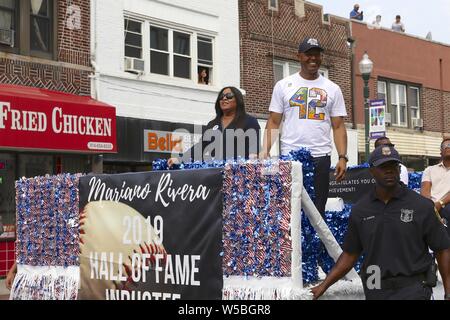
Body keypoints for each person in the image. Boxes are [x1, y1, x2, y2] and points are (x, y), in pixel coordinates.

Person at [311, 145, 450, 300]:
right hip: (375, 288)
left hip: (413, 288)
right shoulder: (360, 210)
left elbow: (442, 249)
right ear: (372, 171)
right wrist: (324, 286)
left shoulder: (421, 206)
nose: (389, 170)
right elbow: (350, 254)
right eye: (383, 166)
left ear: (398, 169)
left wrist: (448, 292)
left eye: (393, 166)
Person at [260, 37, 348, 217]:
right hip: (290, 156)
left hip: (320, 157)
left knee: (317, 211)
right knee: (289, 210)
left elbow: (338, 126)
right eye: (308, 54)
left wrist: (342, 157)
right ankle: (291, 247)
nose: (313, 58)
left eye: (317, 54)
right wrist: (265, 150)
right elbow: (274, 121)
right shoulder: (283, 86)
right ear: (299, 56)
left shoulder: (333, 89)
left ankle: (315, 246)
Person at [168, 86, 260, 166]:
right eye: (221, 97)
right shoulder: (212, 124)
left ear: (238, 100)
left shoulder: (249, 121)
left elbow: (254, 150)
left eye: (229, 96)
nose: (224, 98)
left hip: (238, 176)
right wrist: (180, 159)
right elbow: (200, 147)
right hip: (215, 173)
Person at [421, 137, 450, 235]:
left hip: (446, 206)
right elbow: (425, 192)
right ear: (440, 152)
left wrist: (440, 204)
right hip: (432, 207)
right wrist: (429, 207)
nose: (447, 147)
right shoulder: (429, 170)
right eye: (444, 146)